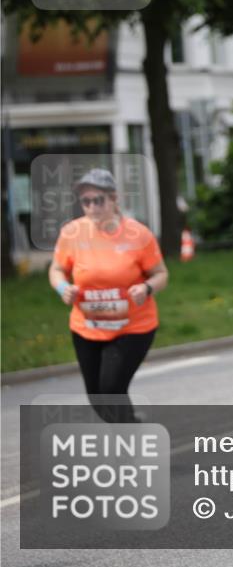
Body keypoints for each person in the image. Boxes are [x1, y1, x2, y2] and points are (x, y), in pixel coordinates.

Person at [48, 168, 168, 423]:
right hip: (87, 328)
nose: (92, 207)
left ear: (114, 199)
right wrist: (62, 288)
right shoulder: (72, 233)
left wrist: (146, 288)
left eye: (98, 200)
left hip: (133, 327)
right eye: (86, 201)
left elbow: (161, 274)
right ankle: (133, 429)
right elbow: (57, 269)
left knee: (111, 389)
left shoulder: (138, 235)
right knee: (96, 397)